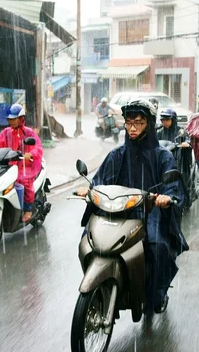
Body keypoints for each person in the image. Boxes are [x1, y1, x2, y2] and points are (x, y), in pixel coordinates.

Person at [76, 99, 188, 314]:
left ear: (149, 123)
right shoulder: (117, 155)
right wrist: (89, 190)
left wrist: (166, 197)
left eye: (139, 122)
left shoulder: (162, 156)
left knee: (157, 246)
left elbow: (174, 187)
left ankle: (155, 293)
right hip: (117, 210)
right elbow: (100, 181)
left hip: (149, 212)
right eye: (129, 122)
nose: (133, 127)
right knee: (88, 240)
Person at [0, 104, 43, 223]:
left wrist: (30, 154)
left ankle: (28, 209)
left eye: (13, 118)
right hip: (10, 165)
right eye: (9, 119)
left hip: (26, 166)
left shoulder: (29, 133)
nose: (10, 121)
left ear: (21, 119)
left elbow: (37, 147)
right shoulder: (6, 132)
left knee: (24, 182)